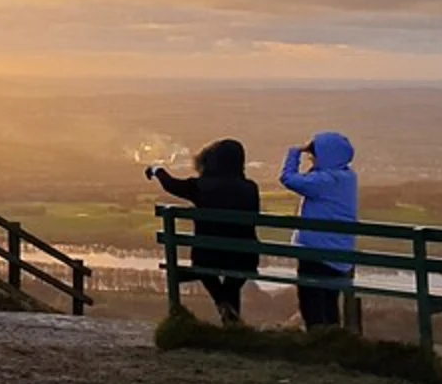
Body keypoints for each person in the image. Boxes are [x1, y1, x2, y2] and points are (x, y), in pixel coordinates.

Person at [147, 138, 261, 325]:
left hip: (209, 257)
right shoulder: (250, 188)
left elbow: (171, 184)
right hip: (245, 259)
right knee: (232, 279)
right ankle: (232, 322)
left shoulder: (200, 186)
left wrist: (156, 170)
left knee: (205, 269)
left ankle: (223, 305)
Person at [280, 131, 358, 329]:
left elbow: (288, 179)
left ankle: (317, 343)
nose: (312, 158)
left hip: (316, 252)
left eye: (314, 155)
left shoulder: (325, 182)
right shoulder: (348, 177)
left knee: (312, 304)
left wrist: (294, 153)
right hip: (341, 255)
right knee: (329, 304)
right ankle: (332, 343)